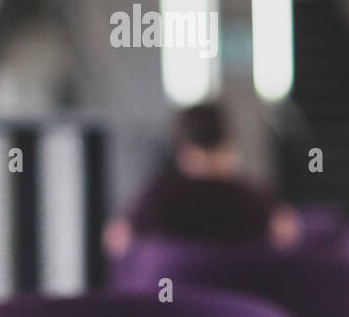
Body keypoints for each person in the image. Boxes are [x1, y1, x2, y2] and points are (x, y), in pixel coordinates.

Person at [103, 102, 302, 258]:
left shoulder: (159, 196)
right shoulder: (252, 197)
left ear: (182, 151)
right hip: (242, 304)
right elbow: (286, 237)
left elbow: (117, 241)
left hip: (170, 305)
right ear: (229, 145)